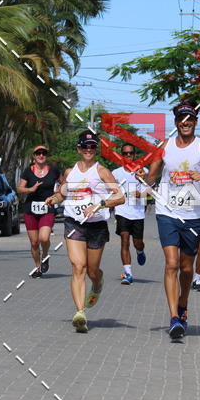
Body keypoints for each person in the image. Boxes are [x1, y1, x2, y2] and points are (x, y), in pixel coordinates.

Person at [144, 100, 200, 339]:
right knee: (171, 263)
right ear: (176, 123)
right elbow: (151, 178)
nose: (186, 123)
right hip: (167, 212)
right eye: (181, 119)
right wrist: (141, 181)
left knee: (185, 267)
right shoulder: (165, 147)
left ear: (195, 122)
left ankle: (183, 304)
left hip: (193, 215)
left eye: (190, 119)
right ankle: (174, 318)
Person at [45, 130, 125, 333]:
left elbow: (121, 197)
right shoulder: (70, 172)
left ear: (95, 150)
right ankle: (80, 313)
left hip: (97, 226)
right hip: (74, 223)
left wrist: (101, 204)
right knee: (78, 266)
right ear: (78, 149)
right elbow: (62, 194)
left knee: (91, 270)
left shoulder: (102, 171)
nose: (88, 150)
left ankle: (98, 283)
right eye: (85, 146)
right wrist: (52, 200)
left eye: (92, 147)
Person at [17, 146, 61, 277]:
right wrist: (31, 189)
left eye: (44, 153)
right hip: (30, 209)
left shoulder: (53, 170)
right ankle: (37, 267)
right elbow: (20, 189)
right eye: (38, 153)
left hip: (47, 208)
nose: (41, 155)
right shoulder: (27, 171)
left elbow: (64, 185)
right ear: (34, 156)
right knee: (35, 243)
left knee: (44, 237)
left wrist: (57, 194)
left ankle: (46, 255)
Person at [112, 145, 148, 284]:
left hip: (138, 214)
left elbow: (150, 190)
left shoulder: (142, 171)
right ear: (122, 155)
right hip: (122, 212)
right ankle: (128, 273)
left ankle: (140, 251)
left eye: (131, 153)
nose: (128, 156)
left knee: (137, 243)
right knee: (124, 241)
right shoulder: (116, 173)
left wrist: (141, 194)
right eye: (125, 153)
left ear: (135, 154)